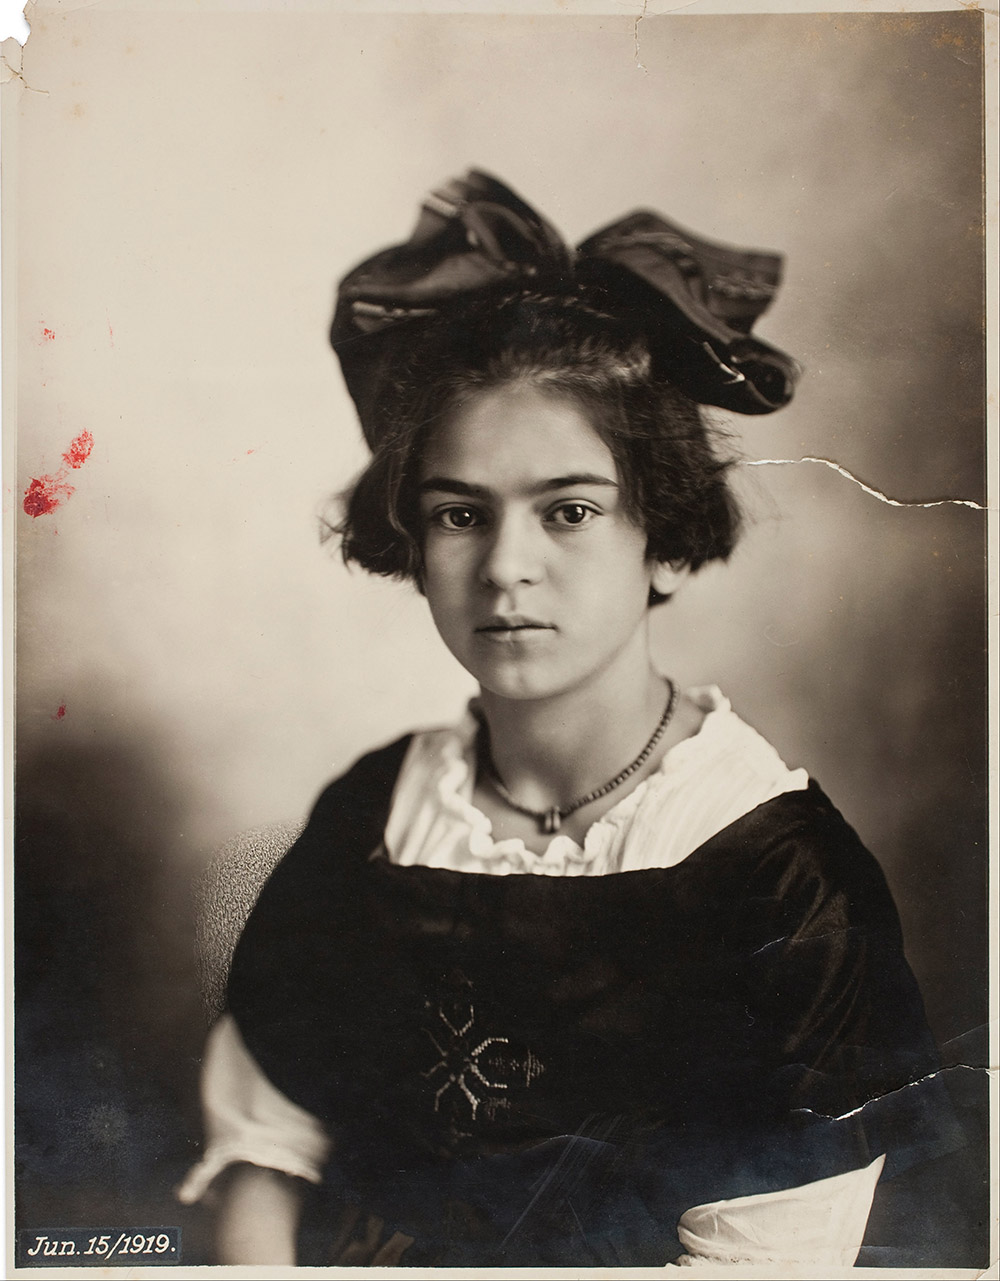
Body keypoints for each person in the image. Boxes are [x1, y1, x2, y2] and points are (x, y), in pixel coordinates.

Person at [179, 172, 947, 1268]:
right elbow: (268, 1145)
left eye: (569, 510)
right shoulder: (376, 814)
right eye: (460, 514)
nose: (506, 567)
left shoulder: (781, 878)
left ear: (664, 538)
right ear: (414, 545)